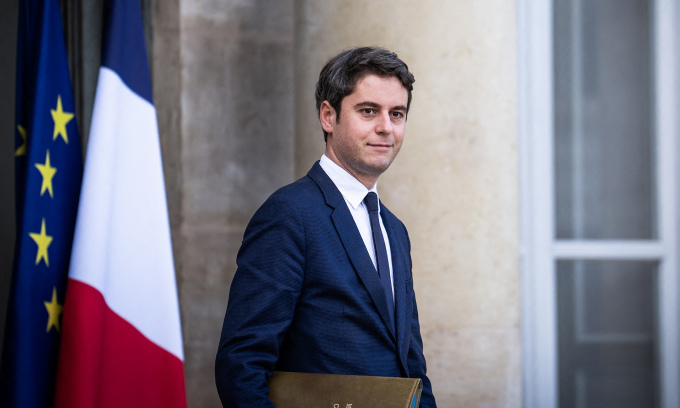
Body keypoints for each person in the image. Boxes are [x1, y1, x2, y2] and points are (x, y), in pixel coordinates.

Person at [215, 46, 436, 408]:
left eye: (397, 113)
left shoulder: (395, 230)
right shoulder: (289, 215)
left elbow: (412, 369)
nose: (385, 127)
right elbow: (241, 365)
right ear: (328, 116)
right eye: (368, 111)